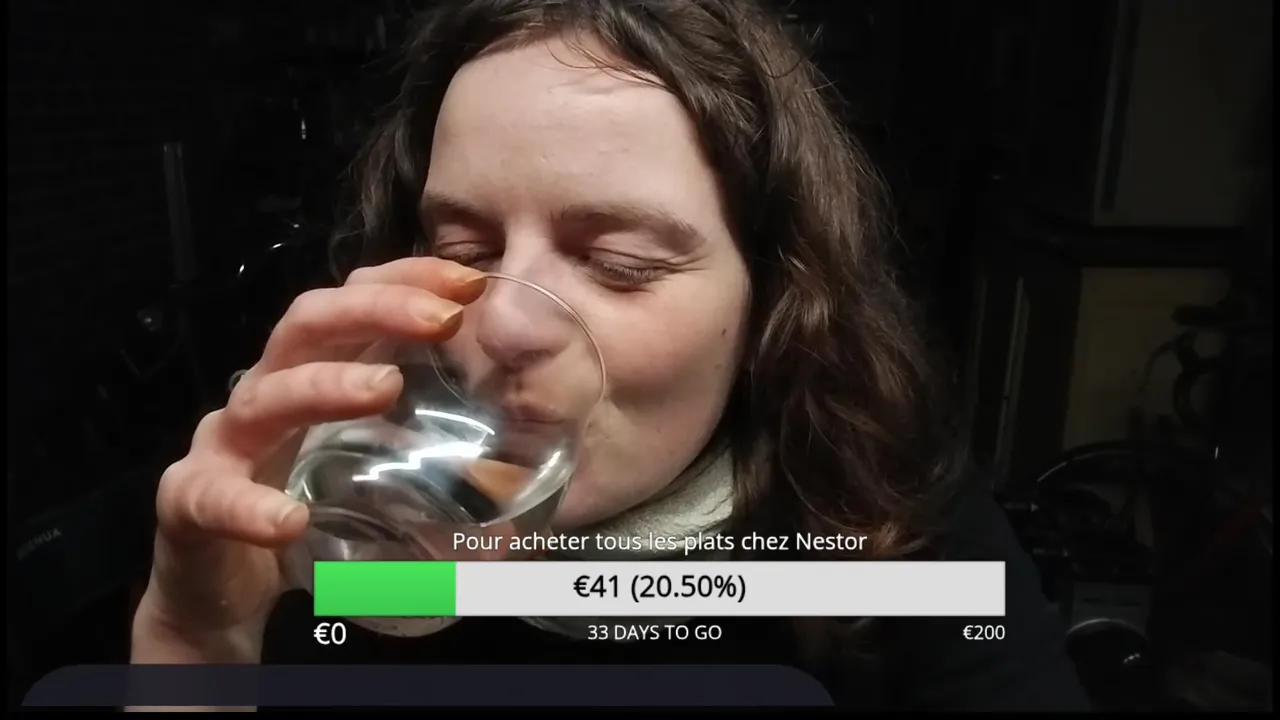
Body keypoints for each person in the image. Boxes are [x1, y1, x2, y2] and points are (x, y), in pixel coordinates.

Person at [130, 0, 1089, 711]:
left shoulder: (890, 530)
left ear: (772, 300)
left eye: (621, 265)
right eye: (465, 250)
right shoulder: (356, 528)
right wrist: (196, 641)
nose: (504, 323)